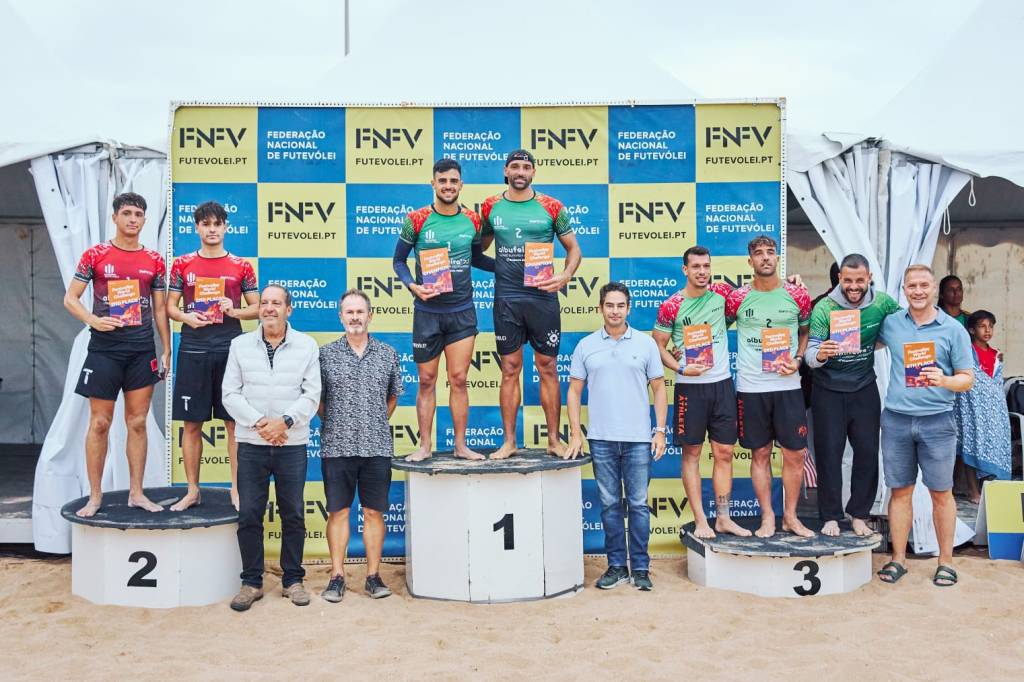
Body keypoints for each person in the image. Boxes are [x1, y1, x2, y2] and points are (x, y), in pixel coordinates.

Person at [63, 192, 170, 517]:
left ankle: (136, 493)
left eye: (138, 214)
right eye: (127, 213)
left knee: (137, 422)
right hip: (105, 350)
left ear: (144, 220)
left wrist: (166, 348)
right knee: (99, 423)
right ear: (115, 218)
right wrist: (93, 320)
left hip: (141, 349)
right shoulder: (96, 254)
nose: (133, 219)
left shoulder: (154, 259)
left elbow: (160, 308)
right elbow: (70, 298)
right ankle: (95, 496)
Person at [222, 285, 321, 611]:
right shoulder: (239, 345)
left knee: (293, 513)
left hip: (292, 443)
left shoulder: (307, 346)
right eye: (264, 303)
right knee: (249, 514)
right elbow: (230, 394)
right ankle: (251, 582)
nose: (268, 308)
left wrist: (285, 423)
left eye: (276, 303)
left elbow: (312, 395)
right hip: (252, 443)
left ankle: (293, 580)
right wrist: (261, 423)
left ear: (288, 310)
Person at [480, 149, 583, 459]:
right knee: (510, 369)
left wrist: (565, 275)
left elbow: (574, 249)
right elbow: (477, 249)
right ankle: (509, 442)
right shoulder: (490, 206)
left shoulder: (552, 206)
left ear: (533, 172)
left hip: (542, 297)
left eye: (526, 167)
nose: (520, 171)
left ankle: (553, 440)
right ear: (506, 171)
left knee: (547, 367)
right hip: (507, 298)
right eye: (515, 166)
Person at [875, 265, 973, 588]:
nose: (918, 291)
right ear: (903, 290)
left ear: (934, 290)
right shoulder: (891, 324)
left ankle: (946, 562)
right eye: (911, 286)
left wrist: (944, 379)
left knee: (941, 493)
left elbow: (967, 379)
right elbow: (863, 336)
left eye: (923, 285)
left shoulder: (953, 330)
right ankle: (898, 559)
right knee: (900, 491)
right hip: (896, 420)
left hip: (938, 421)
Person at [566, 282, 667, 591]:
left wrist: (660, 431)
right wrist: (575, 433)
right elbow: (574, 391)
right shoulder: (585, 346)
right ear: (600, 308)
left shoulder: (646, 344)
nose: (615, 311)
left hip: (638, 439)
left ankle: (641, 568)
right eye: (609, 305)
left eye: (620, 305)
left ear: (628, 308)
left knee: (638, 505)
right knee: (609, 506)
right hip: (601, 440)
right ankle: (617, 567)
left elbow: (659, 388)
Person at [392, 159, 495, 462]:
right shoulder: (417, 219)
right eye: (442, 181)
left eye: (453, 181)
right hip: (427, 312)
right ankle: (425, 446)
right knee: (426, 380)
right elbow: (398, 261)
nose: (448, 186)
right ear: (433, 184)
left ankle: (461, 446)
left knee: (459, 379)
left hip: (462, 311)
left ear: (461, 185)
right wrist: (413, 285)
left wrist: (511, 267)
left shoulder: (472, 220)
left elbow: (477, 258)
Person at [652, 246, 750, 539]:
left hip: (722, 385)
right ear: (685, 270)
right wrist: (681, 368)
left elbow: (760, 290)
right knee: (692, 454)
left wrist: (792, 283)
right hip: (690, 390)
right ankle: (701, 521)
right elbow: (658, 345)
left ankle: (723, 518)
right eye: (696, 266)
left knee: (724, 452)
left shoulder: (722, 293)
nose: (702, 271)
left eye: (706, 266)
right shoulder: (672, 305)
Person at [167, 201, 259, 511]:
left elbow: (257, 307)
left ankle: (236, 489)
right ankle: (192, 490)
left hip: (230, 351)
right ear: (196, 227)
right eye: (205, 224)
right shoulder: (182, 264)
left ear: (225, 227)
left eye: (217, 224)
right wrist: (186, 317)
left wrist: (234, 310)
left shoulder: (241, 265)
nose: (212, 229)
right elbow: (170, 307)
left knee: (233, 424)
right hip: (193, 349)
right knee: (192, 424)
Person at [804, 253, 900, 537]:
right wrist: (821, 354)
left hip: (864, 388)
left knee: (868, 453)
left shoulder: (883, 303)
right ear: (839, 279)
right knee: (829, 455)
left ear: (869, 278)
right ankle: (831, 516)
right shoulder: (825, 307)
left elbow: (903, 329)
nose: (854, 286)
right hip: (828, 391)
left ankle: (859, 514)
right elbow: (810, 354)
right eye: (848, 280)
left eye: (860, 280)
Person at [317, 289, 403, 602]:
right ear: (340, 317)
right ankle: (337, 577)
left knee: (373, 512)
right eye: (349, 312)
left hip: (376, 446)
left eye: (360, 312)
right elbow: (318, 401)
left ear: (370, 315)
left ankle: (373, 576)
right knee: (338, 512)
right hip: (336, 446)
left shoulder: (388, 354)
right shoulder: (324, 355)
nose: (355, 317)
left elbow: (392, 397)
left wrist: (373, 421)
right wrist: (339, 422)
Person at [725, 236, 813, 538]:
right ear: (750, 261)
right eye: (759, 253)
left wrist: (798, 359)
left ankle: (791, 517)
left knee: (795, 454)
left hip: (788, 386)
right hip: (751, 387)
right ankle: (767, 517)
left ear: (778, 258)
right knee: (760, 453)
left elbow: (805, 331)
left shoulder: (797, 295)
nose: (765, 257)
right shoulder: (737, 298)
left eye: (770, 252)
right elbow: (715, 327)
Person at [953, 310, 1012, 502]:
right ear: (971, 330)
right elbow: (969, 379)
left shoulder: (996, 355)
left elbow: (996, 383)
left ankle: (989, 490)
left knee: (992, 445)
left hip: (994, 411)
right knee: (972, 446)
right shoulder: (966, 352)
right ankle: (973, 491)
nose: (987, 331)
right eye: (982, 326)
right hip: (973, 410)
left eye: (991, 327)